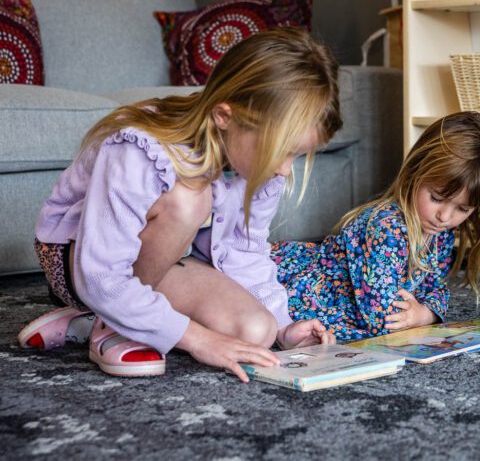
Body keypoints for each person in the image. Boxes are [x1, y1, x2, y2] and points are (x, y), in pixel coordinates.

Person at [18, 28, 341, 381]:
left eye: (296, 154)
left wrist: (283, 327)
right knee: (190, 198)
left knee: (254, 331)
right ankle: (112, 324)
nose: (283, 168)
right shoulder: (140, 150)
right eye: (282, 151)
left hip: (163, 262)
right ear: (224, 116)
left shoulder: (261, 167)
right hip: (81, 263)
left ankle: (99, 317)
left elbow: (244, 253)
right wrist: (201, 340)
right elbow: (100, 275)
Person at [273, 111, 480, 341]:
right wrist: (416, 314)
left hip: (356, 306)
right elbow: (384, 321)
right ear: (415, 172)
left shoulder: (439, 233)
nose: (445, 216)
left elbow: (436, 290)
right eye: (436, 198)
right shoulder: (385, 229)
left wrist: (424, 314)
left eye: (462, 209)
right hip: (308, 293)